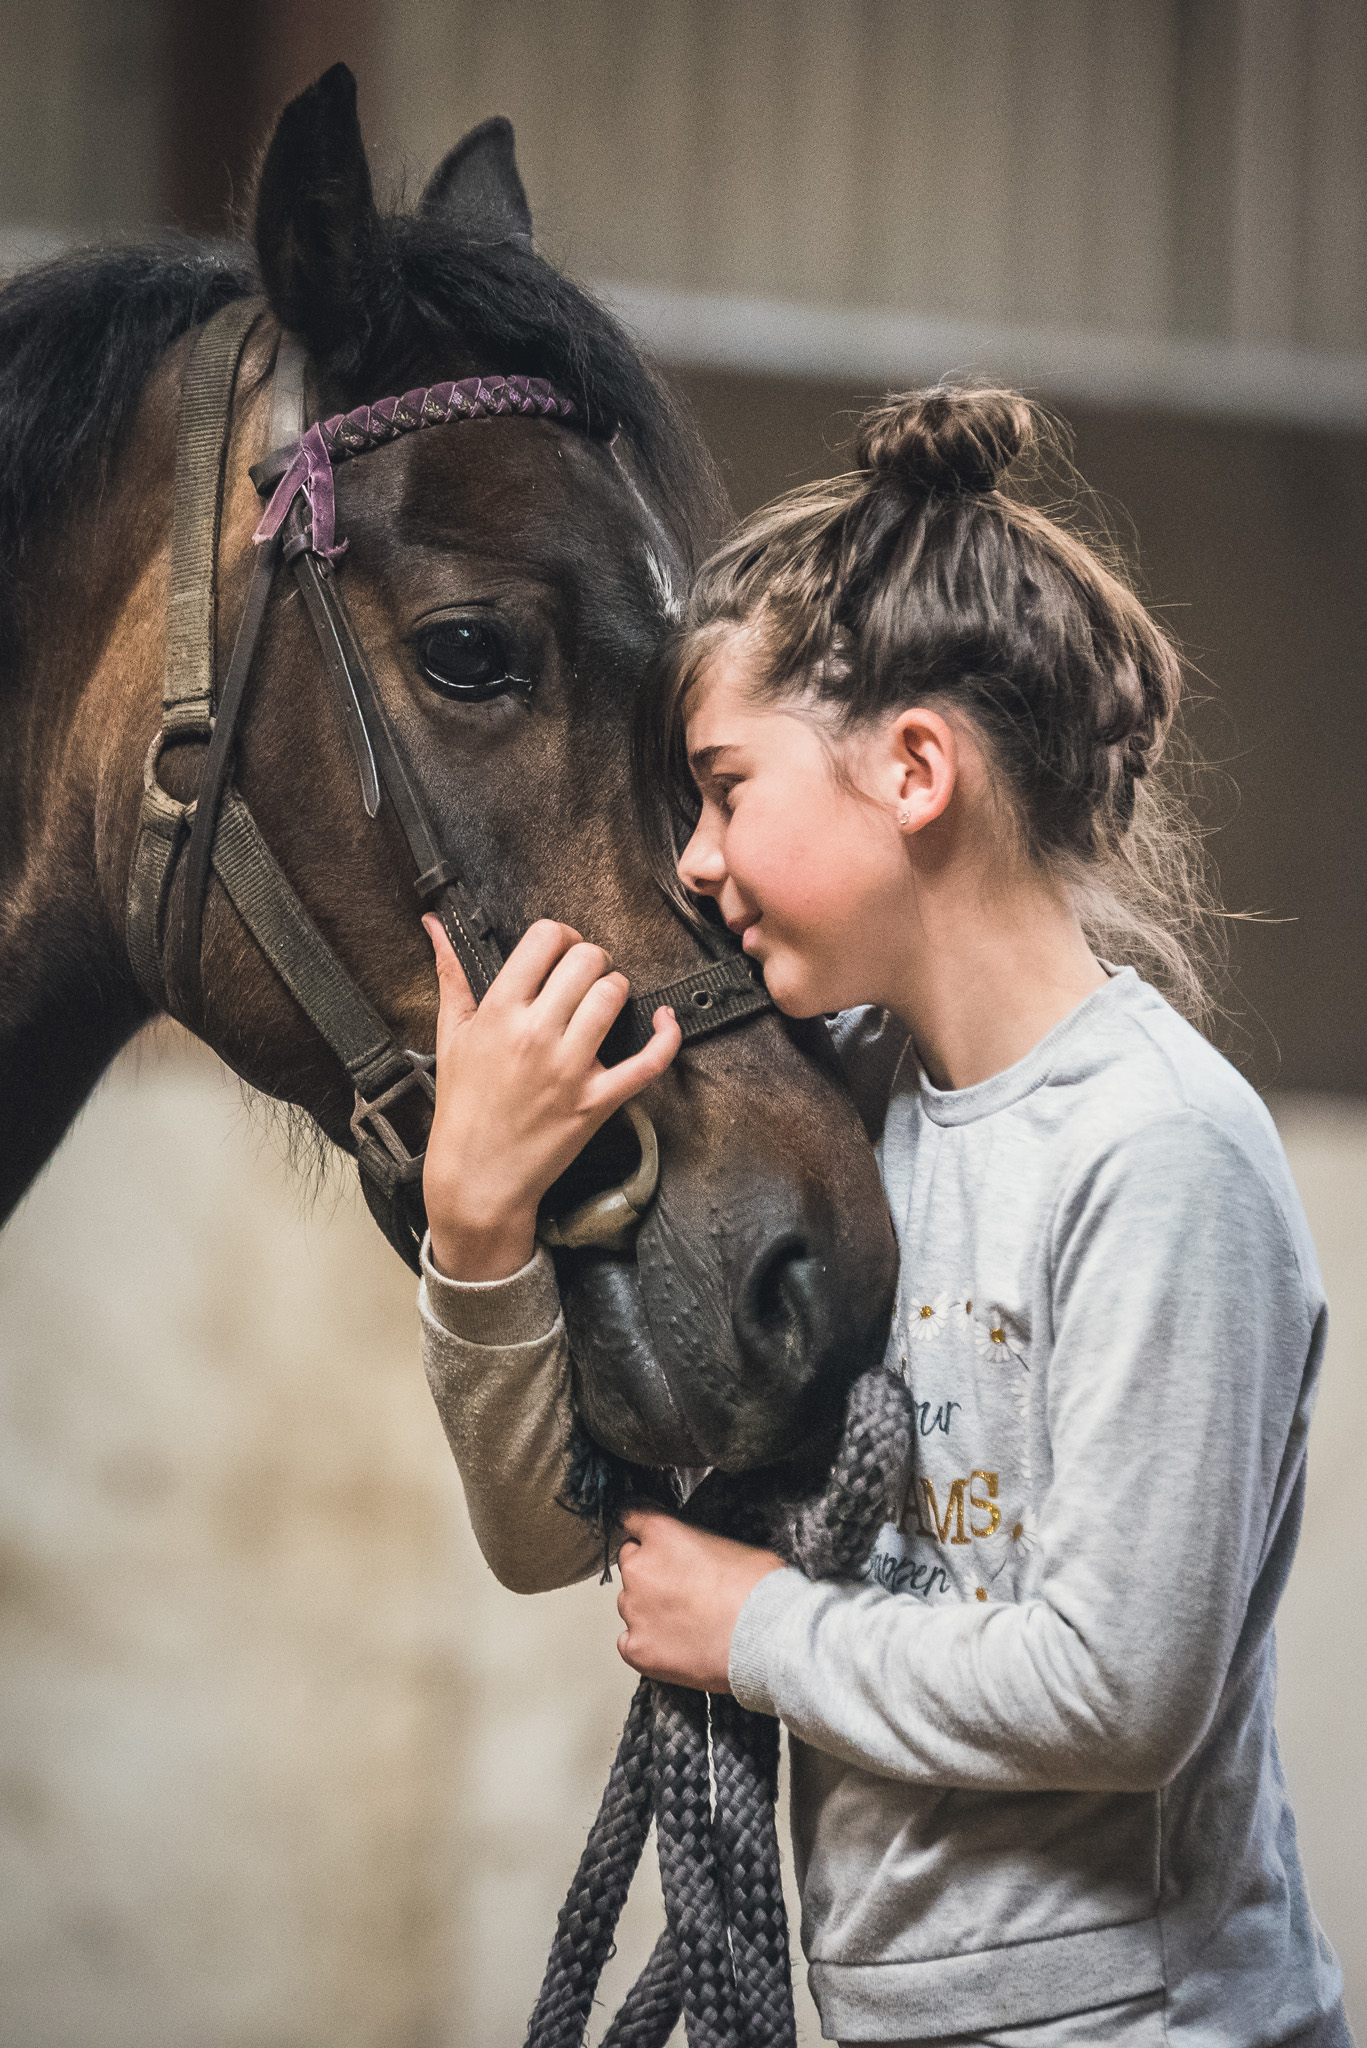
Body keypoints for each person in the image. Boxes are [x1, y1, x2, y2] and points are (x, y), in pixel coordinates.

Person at [415, 387, 1351, 2047]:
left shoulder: (1160, 1155)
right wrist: (480, 1227)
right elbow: (564, 1539)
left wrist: (757, 1627)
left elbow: (1123, 1691)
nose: (695, 863)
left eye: (721, 787)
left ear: (914, 768)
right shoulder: (834, 1114)